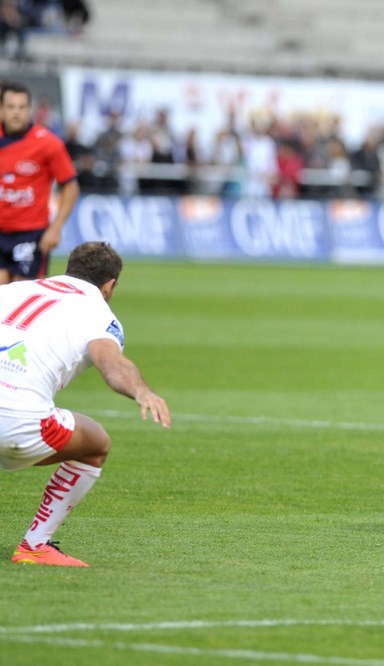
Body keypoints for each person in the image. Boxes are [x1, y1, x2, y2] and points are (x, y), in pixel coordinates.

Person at [2, 241, 171, 567]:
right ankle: (35, 545)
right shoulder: (99, 315)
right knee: (96, 444)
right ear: (110, 285)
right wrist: (142, 391)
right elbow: (112, 364)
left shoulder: (13, 290)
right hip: (16, 426)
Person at [0, 81, 80, 285]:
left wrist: (56, 226)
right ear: (1, 109)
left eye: (22, 107)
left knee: (21, 296)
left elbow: (70, 186)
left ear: (30, 110)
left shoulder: (47, 144)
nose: (16, 113)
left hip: (31, 233)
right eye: (10, 107)